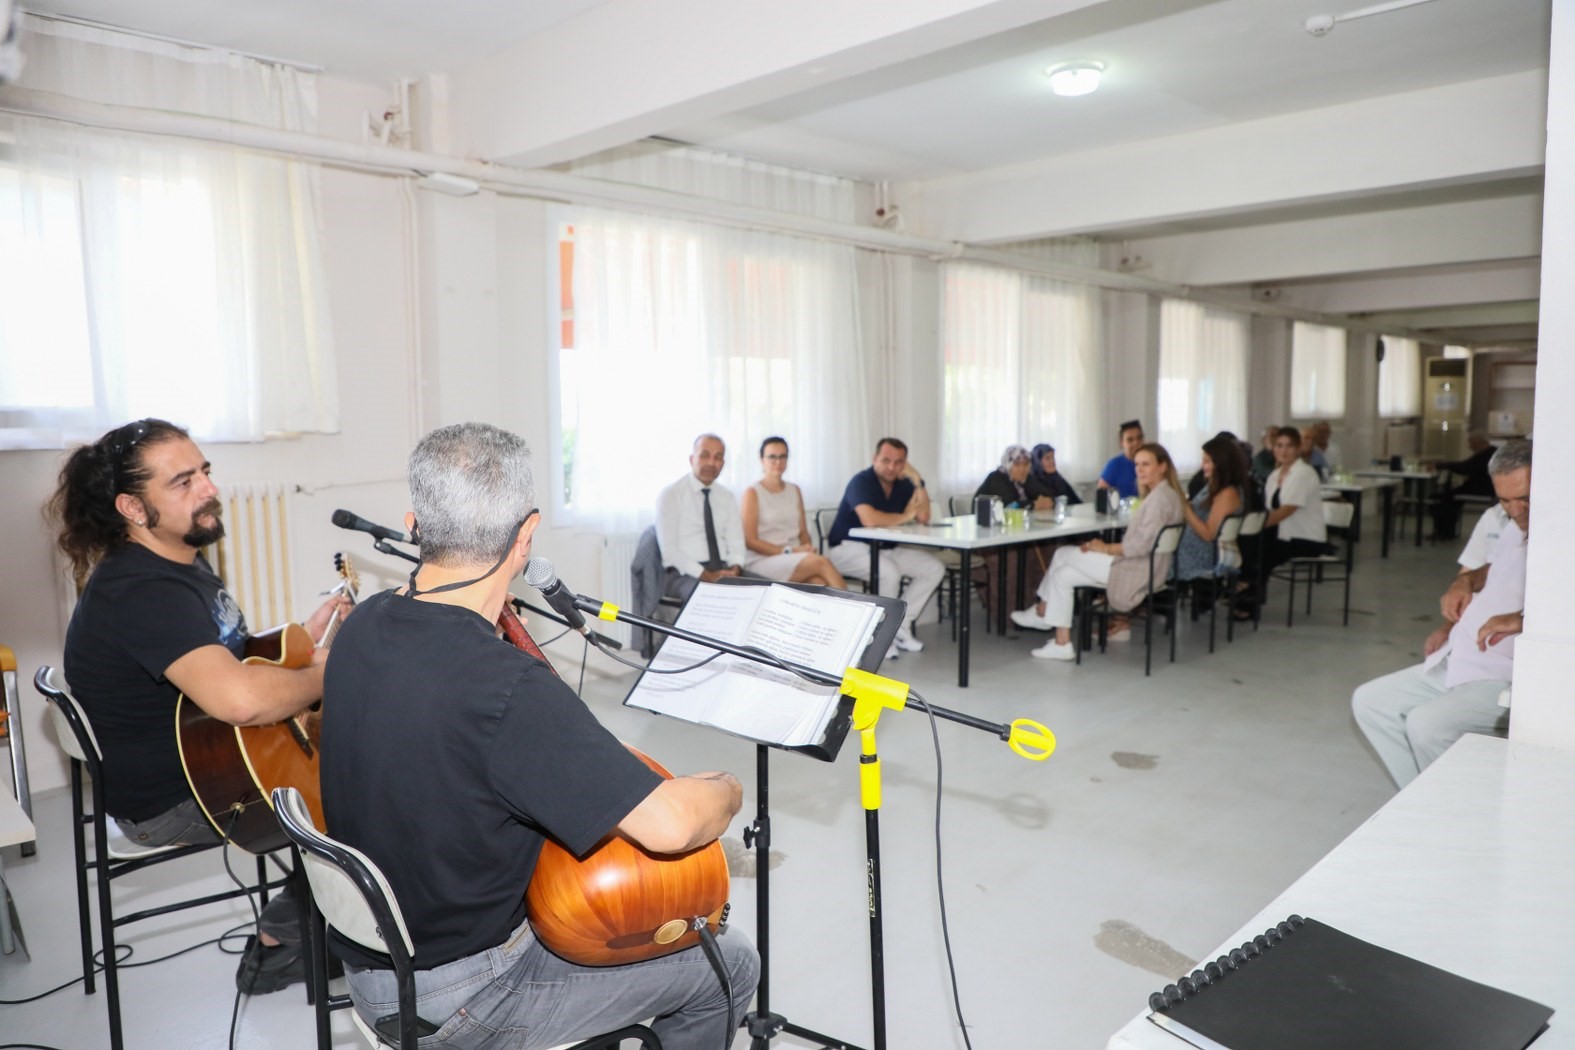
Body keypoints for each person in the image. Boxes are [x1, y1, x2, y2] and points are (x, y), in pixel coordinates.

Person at [320, 423, 758, 1049]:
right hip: (465, 991)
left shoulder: (362, 626)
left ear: (415, 523)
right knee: (730, 963)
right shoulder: (504, 685)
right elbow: (672, 827)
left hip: (375, 961)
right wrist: (725, 787)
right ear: (526, 536)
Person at [49, 417, 351, 995]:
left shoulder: (179, 551)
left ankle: (330, 920)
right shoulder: (141, 590)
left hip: (208, 756)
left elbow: (225, 656)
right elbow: (237, 700)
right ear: (133, 509)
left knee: (374, 745)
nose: (208, 489)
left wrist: (299, 645)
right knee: (380, 781)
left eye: (205, 472)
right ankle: (283, 944)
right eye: (182, 482)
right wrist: (328, 672)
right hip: (177, 796)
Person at [1351, 440, 1531, 788]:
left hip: (1505, 675)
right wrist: (1464, 583)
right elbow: (1495, 568)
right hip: (1462, 657)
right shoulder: (1511, 525)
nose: (1516, 510)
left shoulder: (1560, 532)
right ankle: (1418, 800)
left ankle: (1446, 814)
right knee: (1370, 702)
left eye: (1524, 498)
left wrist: (1522, 620)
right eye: (1505, 500)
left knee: (1426, 725)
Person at [1010, 443, 1186, 661]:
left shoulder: (1159, 500)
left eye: (1146, 464)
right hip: (1149, 568)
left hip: (1134, 570)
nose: (1139, 469)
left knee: (1062, 553)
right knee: (1062, 575)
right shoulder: (1169, 495)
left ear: (1162, 466)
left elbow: (1139, 546)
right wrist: (1102, 549)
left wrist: (1104, 548)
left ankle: (1042, 610)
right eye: (1137, 464)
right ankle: (1061, 642)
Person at [824, 437, 947, 659]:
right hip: (847, 548)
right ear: (875, 459)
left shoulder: (904, 484)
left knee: (933, 568)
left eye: (899, 462)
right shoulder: (861, 481)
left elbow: (923, 516)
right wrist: (904, 516)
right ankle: (880, 636)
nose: (892, 467)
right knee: (888, 572)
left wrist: (917, 479)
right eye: (886, 460)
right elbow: (870, 519)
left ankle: (900, 626)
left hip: (885, 549)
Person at [740, 436, 846, 587]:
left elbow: (802, 532)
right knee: (821, 563)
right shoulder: (752, 492)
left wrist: (807, 547)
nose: (778, 462)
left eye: (783, 456)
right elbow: (750, 541)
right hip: (763, 560)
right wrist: (790, 551)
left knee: (819, 583)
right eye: (772, 457)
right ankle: (860, 607)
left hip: (794, 556)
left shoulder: (794, 490)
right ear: (761, 459)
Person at [655, 433, 748, 601]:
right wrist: (706, 575)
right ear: (692, 459)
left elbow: (736, 543)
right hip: (684, 574)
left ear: (723, 464)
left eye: (718, 457)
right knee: (711, 598)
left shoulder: (727, 497)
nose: (711, 463)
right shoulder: (671, 494)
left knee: (769, 590)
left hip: (724, 568)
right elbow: (670, 552)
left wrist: (735, 570)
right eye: (704, 455)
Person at [1176, 434, 1249, 590]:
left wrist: (1185, 508)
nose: (1203, 466)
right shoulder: (1213, 486)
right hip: (1194, 549)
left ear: (1221, 463)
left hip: (1202, 556)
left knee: (1151, 555)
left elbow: (1209, 534)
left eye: (1207, 461)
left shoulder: (1227, 493)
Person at [1262, 426, 1329, 572]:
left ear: (1298, 449)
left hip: (1305, 539)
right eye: (1279, 446)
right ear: (1273, 449)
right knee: (1248, 543)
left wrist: (1257, 524)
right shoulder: (1274, 476)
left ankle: (1248, 587)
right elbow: (1268, 509)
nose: (1283, 451)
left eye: (1289, 446)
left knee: (1258, 548)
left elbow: (1287, 510)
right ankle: (1247, 587)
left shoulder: (1304, 473)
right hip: (1283, 535)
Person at [1431, 431, 1497, 540]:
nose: (1469, 446)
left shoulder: (1485, 455)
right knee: (1448, 497)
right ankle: (1446, 531)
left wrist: (1443, 465)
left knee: (1442, 499)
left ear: (1478, 442)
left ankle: (1444, 532)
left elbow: (1465, 468)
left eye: (1471, 443)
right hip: (1483, 488)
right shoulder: (1489, 453)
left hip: (1480, 489)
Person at [975, 444, 1054, 509]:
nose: (1022, 469)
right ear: (1008, 465)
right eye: (1017, 464)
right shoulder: (996, 478)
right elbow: (1010, 506)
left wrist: (1046, 501)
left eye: (1026, 464)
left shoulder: (1025, 478)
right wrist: (1034, 505)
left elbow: (1048, 496)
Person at [1097, 420, 1144, 498]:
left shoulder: (1152, 463)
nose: (1136, 443)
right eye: (1130, 440)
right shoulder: (1114, 465)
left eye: (1139, 438)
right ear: (1122, 443)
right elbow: (1101, 497)